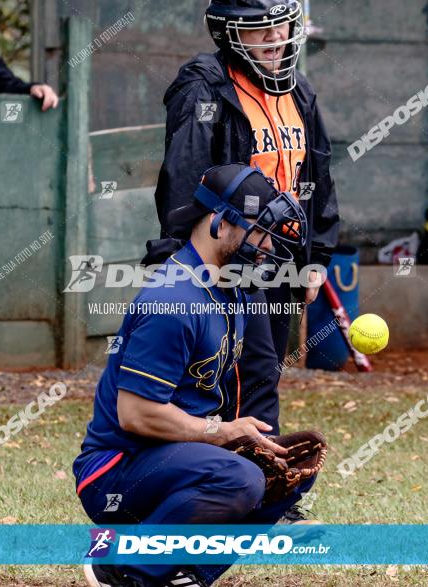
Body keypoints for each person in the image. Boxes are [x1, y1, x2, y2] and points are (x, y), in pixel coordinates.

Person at [145, 0, 338, 522]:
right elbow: (183, 177)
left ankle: (262, 489)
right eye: (261, 30)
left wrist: (316, 254)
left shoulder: (298, 89)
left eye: (283, 26)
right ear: (229, 35)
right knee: (233, 373)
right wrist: (189, 261)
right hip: (228, 256)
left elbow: (315, 174)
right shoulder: (203, 87)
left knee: (262, 373)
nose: (276, 39)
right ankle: (237, 491)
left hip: (282, 257)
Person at [74, 164, 312, 587]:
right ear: (219, 223)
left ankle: (182, 573)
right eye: (259, 230)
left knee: (285, 472)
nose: (267, 245)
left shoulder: (230, 291)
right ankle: (118, 567)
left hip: (172, 457)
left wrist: (244, 439)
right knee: (237, 477)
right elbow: (135, 414)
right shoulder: (174, 299)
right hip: (116, 467)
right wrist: (222, 434)